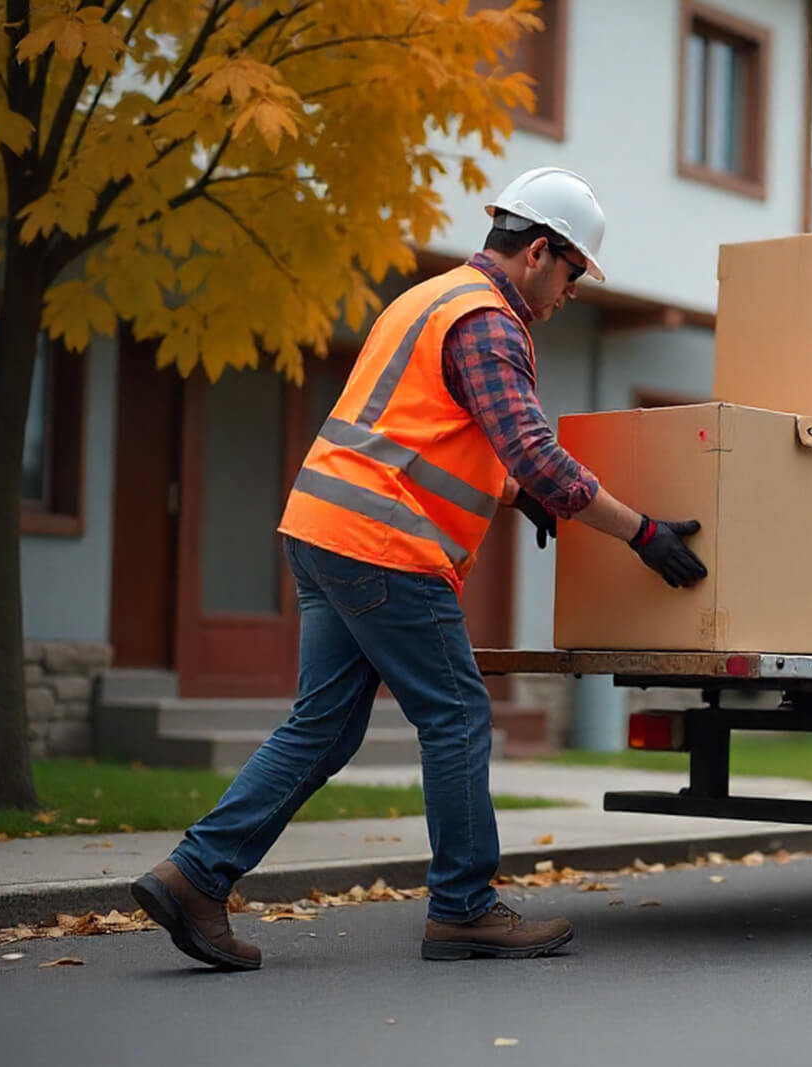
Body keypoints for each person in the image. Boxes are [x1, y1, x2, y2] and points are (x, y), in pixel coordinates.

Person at [131, 167, 707, 970]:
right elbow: (538, 454)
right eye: (574, 272)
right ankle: (465, 907)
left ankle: (193, 876)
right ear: (540, 252)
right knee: (459, 713)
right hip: (386, 547)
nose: (572, 291)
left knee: (324, 727)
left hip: (323, 528)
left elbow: (431, 436)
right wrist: (641, 532)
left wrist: (515, 497)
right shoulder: (491, 322)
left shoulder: (426, 299)